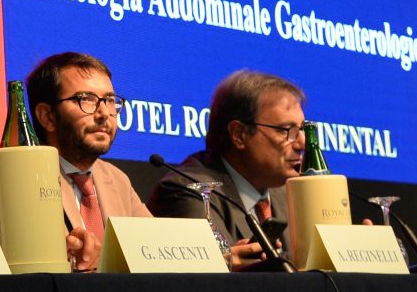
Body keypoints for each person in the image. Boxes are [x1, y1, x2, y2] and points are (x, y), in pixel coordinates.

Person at [147, 68, 306, 270]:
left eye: (301, 129)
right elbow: (204, 280)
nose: (301, 143)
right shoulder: (190, 190)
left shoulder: (289, 194)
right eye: (286, 130)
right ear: (239, 134)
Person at [27, 51, 152, 271]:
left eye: (110, 100)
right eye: (86, 99)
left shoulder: (117, 180)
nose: (104, 113)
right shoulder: (22, 178)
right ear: (47, 116)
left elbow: (156, 252)